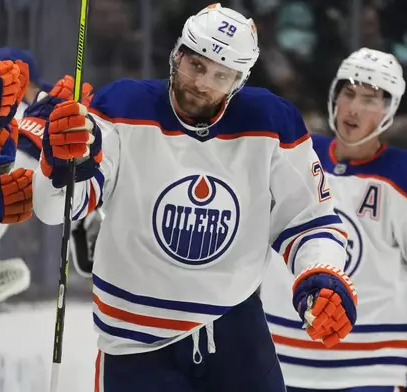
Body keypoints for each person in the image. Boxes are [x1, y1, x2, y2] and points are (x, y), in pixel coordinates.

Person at [33, 3, 357, 391]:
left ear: (239, 80)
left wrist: (320, 273)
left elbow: (310, 220)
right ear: (177, 55)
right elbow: (57, 210)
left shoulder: (272, 122)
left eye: (221, 75)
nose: (203, 83)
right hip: (134, 339)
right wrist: (60, 162)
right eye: (196, 66)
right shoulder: (122, 108)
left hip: (234, 327)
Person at [261, 48, 407, 391]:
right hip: (277, 364)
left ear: (389, 110)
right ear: (334, 97)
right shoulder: (294, 156)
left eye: (370, 99)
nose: (354, 108)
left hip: (372, 375)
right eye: (349, 93)